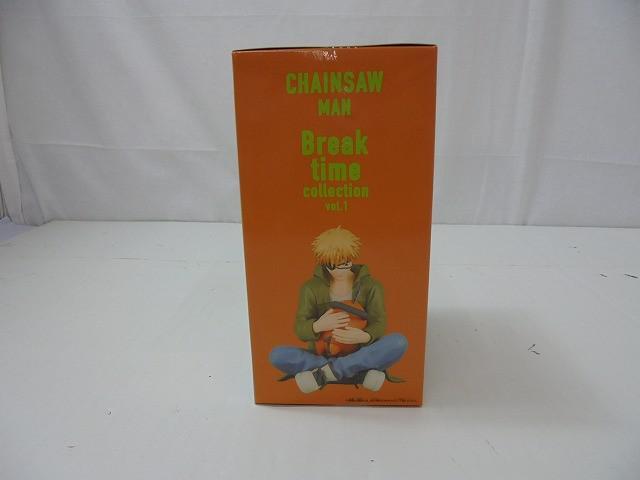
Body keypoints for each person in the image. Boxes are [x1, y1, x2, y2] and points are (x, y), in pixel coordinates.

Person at [269, 226, 408, 393]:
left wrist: (365, 336)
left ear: (351, 257)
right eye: (332, 265)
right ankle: (358, 374)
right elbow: (300, 328)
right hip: (323, 353)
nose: (339, 270)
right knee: (277, 355)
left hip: (361, 350)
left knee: (398, 342)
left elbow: (379, 322)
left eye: (345, 263)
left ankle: (324, 374)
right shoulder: (310, 288)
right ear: (323, 262)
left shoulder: (371, 286)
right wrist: (317, 326)